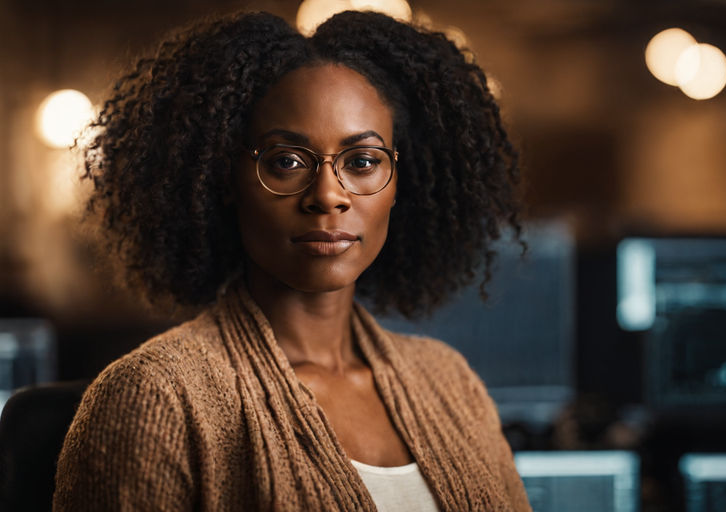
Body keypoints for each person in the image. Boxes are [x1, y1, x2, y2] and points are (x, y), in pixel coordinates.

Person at [54, 9, 530, 512]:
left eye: (363, 162)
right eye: (286, 161)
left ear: (399, 185)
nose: (328, 196)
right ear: (225, 181)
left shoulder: (450, 384)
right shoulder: (156, 397)